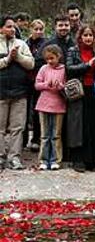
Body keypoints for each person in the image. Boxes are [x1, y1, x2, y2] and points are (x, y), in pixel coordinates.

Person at [65, 25, 95, 172]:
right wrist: (88, 64)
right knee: (78, 126)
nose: (88, 38)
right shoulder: (72, 51)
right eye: (85, 35)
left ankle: (92, 159)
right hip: (78, 92)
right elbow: (69, 69)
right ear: (80, 37)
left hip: (94, 92)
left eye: (90, 35)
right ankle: (78, 159)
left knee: (93, 125)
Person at [0, 15, 34, 170]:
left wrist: (18, 57)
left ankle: (14, 157)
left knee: (17, 127)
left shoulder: (21, 44)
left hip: (19, 92)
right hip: (1, 93)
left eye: (13, 26)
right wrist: (7, 59)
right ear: (1, 29)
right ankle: (1, 157)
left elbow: (31, 64)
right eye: (8, 26)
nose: (12, 29)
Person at [34, 45, 66, 170]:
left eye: (52, 58)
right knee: (45, 135)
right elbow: (37, 85)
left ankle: (55, 160)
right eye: (47, 59)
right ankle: (43, 159)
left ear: (58, 56)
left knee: (56, 135)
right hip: (43, 105)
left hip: (58, 105)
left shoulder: (64, 70)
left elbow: (66, 85)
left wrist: (60, 86)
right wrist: (46, 84)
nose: (49, 61)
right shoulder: (43, 68)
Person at [24, 19, 47, 152]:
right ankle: (23, 139)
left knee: (37, 109)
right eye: (36, 29)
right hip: (25, 81)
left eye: (41, 29)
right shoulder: (25, 43)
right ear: (31, 30)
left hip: (39, 80)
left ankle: (36, 139)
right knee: (25, 110)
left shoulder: (45, 43)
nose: (38, 32)